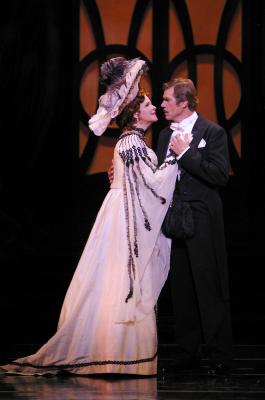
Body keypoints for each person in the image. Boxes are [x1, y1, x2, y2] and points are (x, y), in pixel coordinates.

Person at [0, 57, 181, 376]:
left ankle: (115, 350)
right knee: (119, 281)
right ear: (136, 111)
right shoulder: (133, 144)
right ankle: (113, 352)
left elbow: (139, 181)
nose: (153, 106)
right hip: (123, 222)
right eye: (149, 103)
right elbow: (154, 186)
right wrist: (175, 157)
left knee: (113, 281)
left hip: (121, 216)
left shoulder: (131, 143)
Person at [157, 77, 233, 376]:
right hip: (175, 218)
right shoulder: (164, 135)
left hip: (202, 218)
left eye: (166, 100)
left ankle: (219, 357)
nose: (162, 105)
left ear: (184, 103)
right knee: (182, 289)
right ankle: (186, 355)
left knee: (208, 287)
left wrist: (187, 153)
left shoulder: (212, 133)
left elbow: (219, 175)